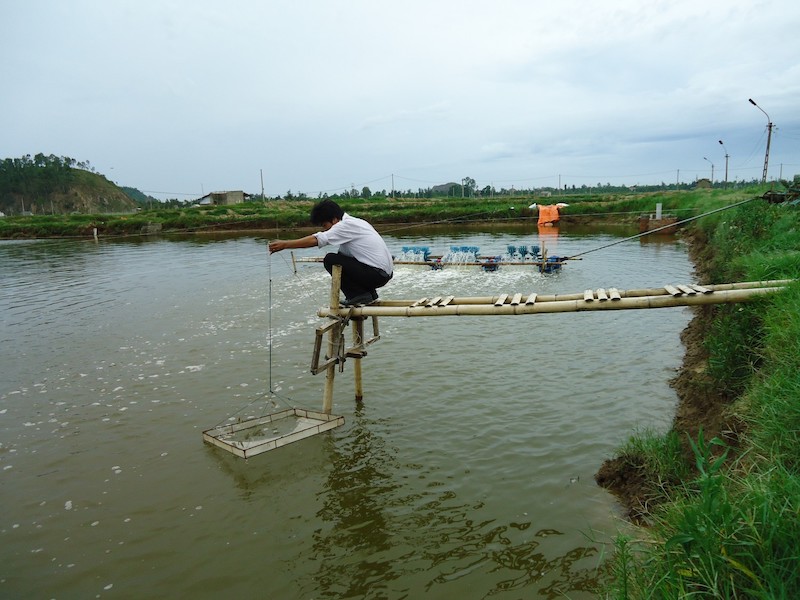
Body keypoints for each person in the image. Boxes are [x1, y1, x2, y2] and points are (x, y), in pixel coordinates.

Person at [268, 199, 393, 306]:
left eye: (324, 225)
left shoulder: (344, 226)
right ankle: (368, 294)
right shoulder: (358, 222)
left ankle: (359, 295)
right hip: (382, 274)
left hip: (376, 275)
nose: (324, 229)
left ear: (334, 220)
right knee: (340, 257)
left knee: (330, 260)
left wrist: (285, 244)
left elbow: (318, 239)